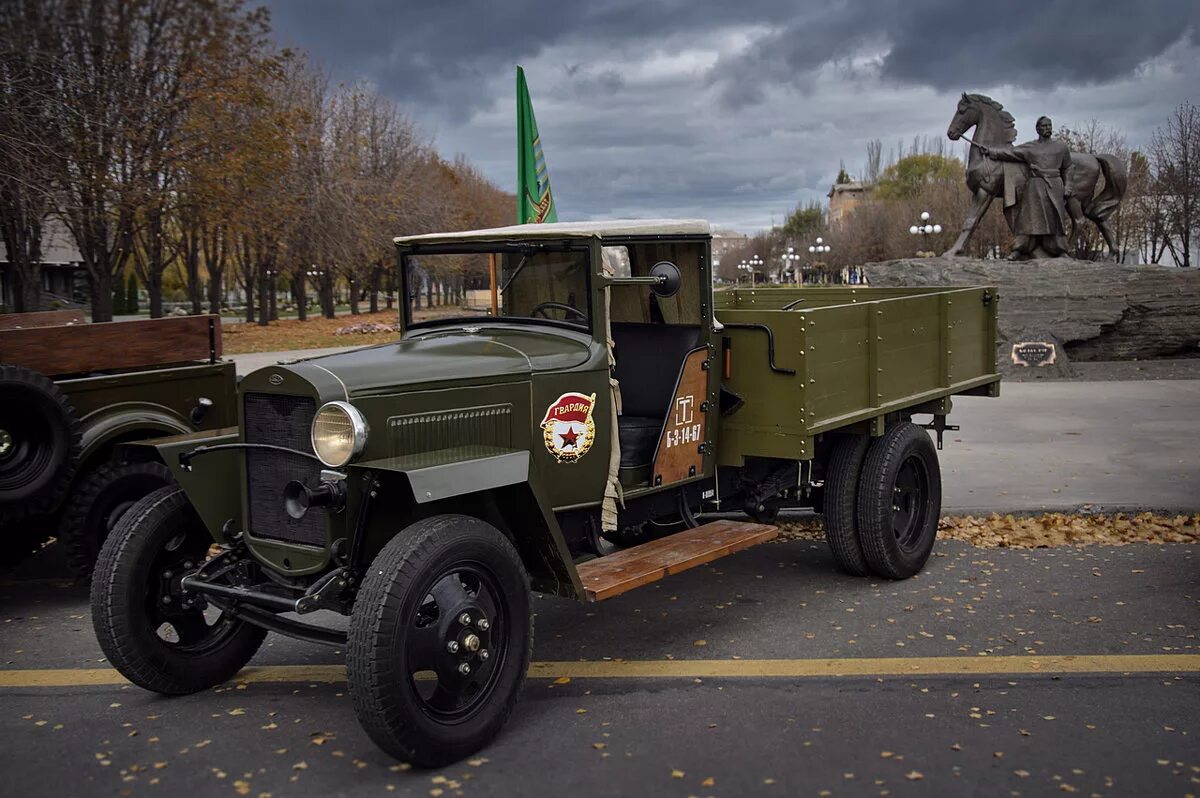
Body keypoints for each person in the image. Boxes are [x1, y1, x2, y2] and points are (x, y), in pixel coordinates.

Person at [979, 116, 1073, 259]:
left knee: (1056, 220)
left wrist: (1068, 187)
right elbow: (1010, 153)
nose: (1048, 128)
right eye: (1044, 126)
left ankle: (1060, 250)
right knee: (1027, 221)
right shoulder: (1030, 147)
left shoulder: (1061, 147)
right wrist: (991, 151)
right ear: (1037, 129)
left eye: (1049, 126)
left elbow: (1068, 168)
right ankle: (1019, 249)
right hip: (1034, 187)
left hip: (1055, 186)